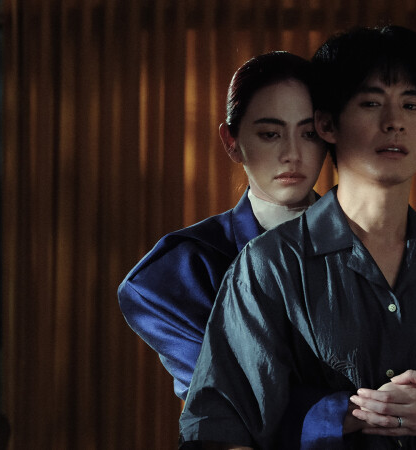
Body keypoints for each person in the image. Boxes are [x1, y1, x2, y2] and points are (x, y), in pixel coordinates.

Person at [179, 26, 416, 449]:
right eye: (371, 103)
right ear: (327, 124)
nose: (394, 122)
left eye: (411, 105)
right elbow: (219, 426)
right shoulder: (269, 265)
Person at [117, 51, 326, 400]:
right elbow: (231, 399)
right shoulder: (181, 270)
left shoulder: (377, 243)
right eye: (270, 134)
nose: (292, 153)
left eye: (309, 134)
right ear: (232, 142)